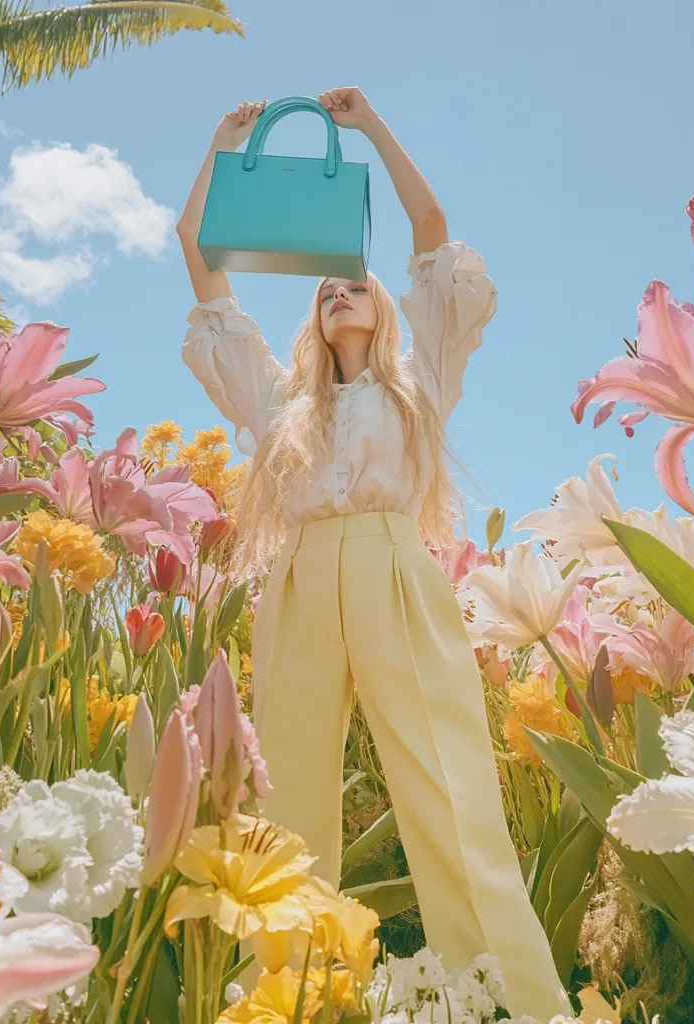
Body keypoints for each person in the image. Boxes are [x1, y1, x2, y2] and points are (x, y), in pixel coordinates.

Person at [176, 87, 572, 1021]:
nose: (336, 291)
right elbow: (202, 261)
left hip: (396, 565)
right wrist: (221, 153)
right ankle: (285, 997)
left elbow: (431, 227)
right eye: (322, 289)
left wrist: (368, 128)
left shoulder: (421, 377)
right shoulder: (281, 407)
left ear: (384, 305)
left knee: (449, 780)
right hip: (306, 575)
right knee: (289, 795)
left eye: (352, 282)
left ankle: (511, 1001)